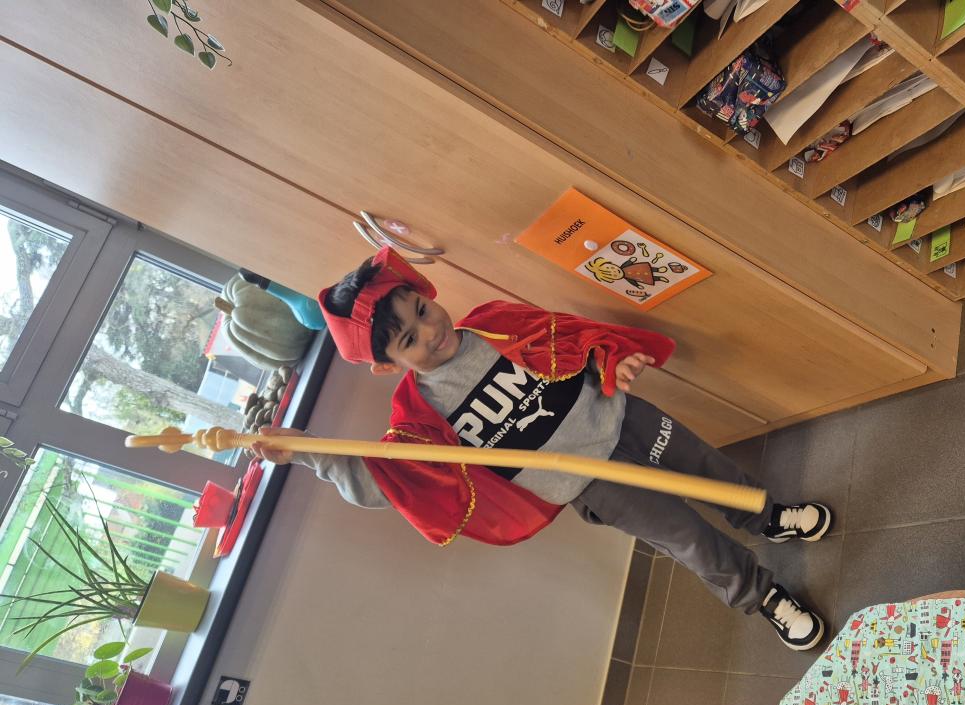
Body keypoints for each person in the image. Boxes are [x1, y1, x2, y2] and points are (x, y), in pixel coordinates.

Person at [252, 248, 832, 650]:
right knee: (686, 537)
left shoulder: (494, 323)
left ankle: (767, 516)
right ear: (387, 364)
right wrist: (307, 451)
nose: (430, 332)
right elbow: (388, 482)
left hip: (622, 419)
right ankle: (762, 595)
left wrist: (612, 360)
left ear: (428, 295)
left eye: (423, 312)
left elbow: (574, 340)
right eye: (409, 338)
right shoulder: (419, 419)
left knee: (708, 467)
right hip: (590, 482)